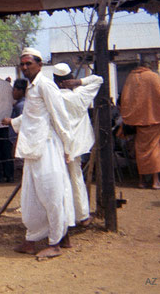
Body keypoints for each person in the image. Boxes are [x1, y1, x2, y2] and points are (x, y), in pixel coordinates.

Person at [2, 48, 74, 258]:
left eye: (29, 64)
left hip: (48, 147)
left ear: (39, 65)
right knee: (32, 197)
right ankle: (32, 239)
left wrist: (68, 147)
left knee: (52, 194)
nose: (25, 67)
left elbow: (60, 117)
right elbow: (32, 117)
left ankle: (56, 242)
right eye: (22, 64)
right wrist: (12, 122)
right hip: (32, 148)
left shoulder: (45, 85)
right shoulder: (31, 88)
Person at [53, 63, 103, 226]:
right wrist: (80, 82)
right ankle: (81, 215)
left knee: (60, 179)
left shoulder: (54, 97)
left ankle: (64, 217)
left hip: (58, 143)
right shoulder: (80, 94)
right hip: (76, 144)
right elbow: (98, 79)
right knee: (75, 177)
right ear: (70, 79)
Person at [120, 57, 160, 190]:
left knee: (141, 152)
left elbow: (125, 99)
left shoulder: (130, 78)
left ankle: (142, 181)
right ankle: (156, 181)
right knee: (155, 151)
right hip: (153, 119)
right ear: (149, 66)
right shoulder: (152, 76)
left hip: (137, 122)